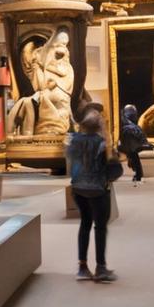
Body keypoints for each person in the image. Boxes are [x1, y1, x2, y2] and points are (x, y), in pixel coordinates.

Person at [67, 110, 116, 282]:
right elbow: (113, 170)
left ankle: (82, 266)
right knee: (100, 227)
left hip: (78, 188)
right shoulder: (102, 143)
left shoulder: (74, 141)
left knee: (85, 224)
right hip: (97, 189)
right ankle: (100, 267)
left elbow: (70, 163)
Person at [118, 104, 152, 186]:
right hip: (132, 142)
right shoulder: (130, 126)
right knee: (133, 155)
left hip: (132, 143)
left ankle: (138, 174)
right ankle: (138, 174)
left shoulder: (128, 126)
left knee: (133, 155)